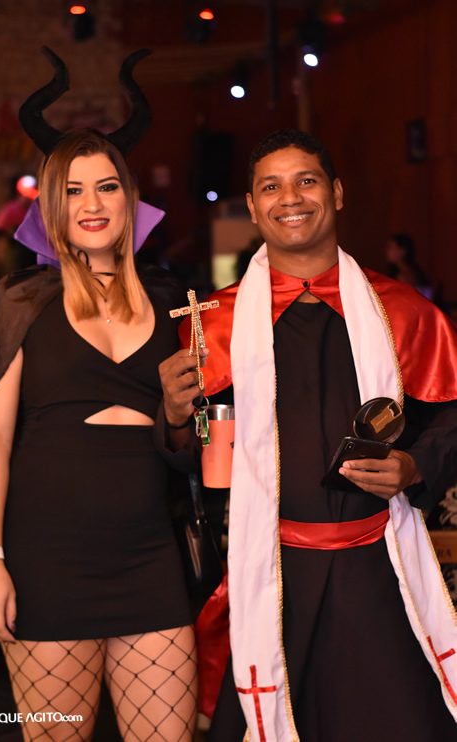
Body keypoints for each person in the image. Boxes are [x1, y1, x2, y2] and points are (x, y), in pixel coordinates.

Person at [159, 129, 457, 741]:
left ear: (337, 193)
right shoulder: (212, 325)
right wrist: (173, 415)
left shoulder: (403, 310)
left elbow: (451, 415)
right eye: (271, 186)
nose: (289, 197)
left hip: (380, 570)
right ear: (252, 206)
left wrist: (415, 466)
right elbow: (193, 460)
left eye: (306, 181)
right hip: (270, 575)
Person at [0, 49, 196, 741]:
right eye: (73, 189)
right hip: (46, 562)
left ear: (130, 198)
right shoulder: (15, 303)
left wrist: (178, 416)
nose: (92, 204)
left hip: (150, 555)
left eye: (107, 187)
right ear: (51, 204)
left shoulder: (173, 302)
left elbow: (187, 445)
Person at [384, 232, 434, 299]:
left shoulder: (405, 276)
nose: (387, 251)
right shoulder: (404, 272)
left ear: (402, 251)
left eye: (390, 247)